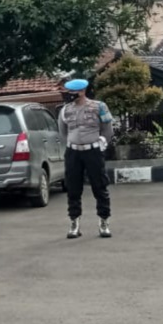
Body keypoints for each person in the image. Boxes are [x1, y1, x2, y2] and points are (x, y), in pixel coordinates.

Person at [58, 78, 115, 239]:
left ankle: (104, 221)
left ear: (82, 91)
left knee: (100, 186)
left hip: (93, 151)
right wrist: (70, 145)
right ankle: (74, 223)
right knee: (73, 188)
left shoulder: (99, 107)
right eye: (68, 92)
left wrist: (102, 143)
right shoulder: (65, 110)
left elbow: (107, 129)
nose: (70, 95)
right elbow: (62, 132)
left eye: (73, 92)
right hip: (73, 152)